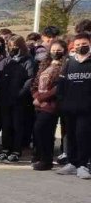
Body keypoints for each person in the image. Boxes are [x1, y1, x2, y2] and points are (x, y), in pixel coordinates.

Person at [55, 30, 91, 179]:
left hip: (87, 109)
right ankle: (72, 163)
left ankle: (83, 165)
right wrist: (62, 103)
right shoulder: (69, 62)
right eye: (77, 45)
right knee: (70, 136)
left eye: (84, 44)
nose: (80, 46)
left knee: (83, 136)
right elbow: (61, 84)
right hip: (69, 108)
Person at [0, 35, 35, 163]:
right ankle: (5, 149)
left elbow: (30, 80)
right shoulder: (6, 61)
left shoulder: (28, 61)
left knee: (17, 125)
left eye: (15, 46)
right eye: (10, 46)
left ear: (21, 47)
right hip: (5, 100)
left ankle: (16, 150)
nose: (12, 48)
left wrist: (20, 94)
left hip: (19, 100)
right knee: (6, 125)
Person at [31, 39, 67, 171]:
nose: (55, 52)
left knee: (40, 128)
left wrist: (40, 98)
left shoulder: (65, 66)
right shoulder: (45, 64)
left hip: (52, 104)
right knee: (41, 132)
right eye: (53, 50)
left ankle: (46, 159)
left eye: (59, 50)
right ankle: (42, 158)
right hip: (39, 104)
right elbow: (35, 83)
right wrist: (36, 96)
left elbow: (58, 88)